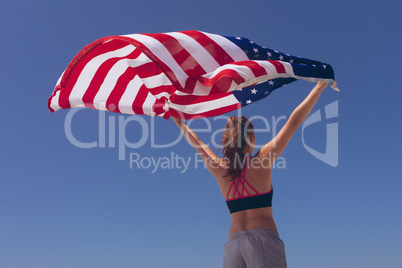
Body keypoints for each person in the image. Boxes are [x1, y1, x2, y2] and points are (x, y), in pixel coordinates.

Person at [172, 81, 329, 268]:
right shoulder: (262, 160)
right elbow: (293, 122)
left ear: (227, 141)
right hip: (263, 240)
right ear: (252, 138)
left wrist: (176, 118)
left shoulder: (220, 168)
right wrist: (319, 87)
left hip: (232, 244)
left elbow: (198, 142)